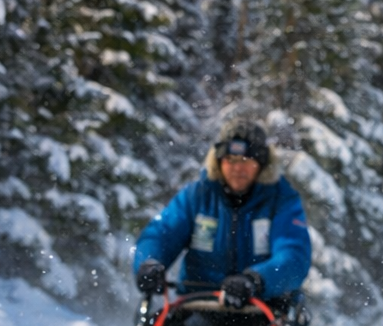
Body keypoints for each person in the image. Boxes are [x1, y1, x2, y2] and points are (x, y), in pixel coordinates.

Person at [133, 120, 312, 310]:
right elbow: (161, 233)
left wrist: (255, 280)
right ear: (219, 161)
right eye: (231, 160)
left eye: (246, 161)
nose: (238, 169)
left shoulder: (281, 199)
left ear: (261, 164)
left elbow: (293, 255)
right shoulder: (197, 196)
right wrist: (148, 263)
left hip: (263, 308)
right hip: (198, 305)